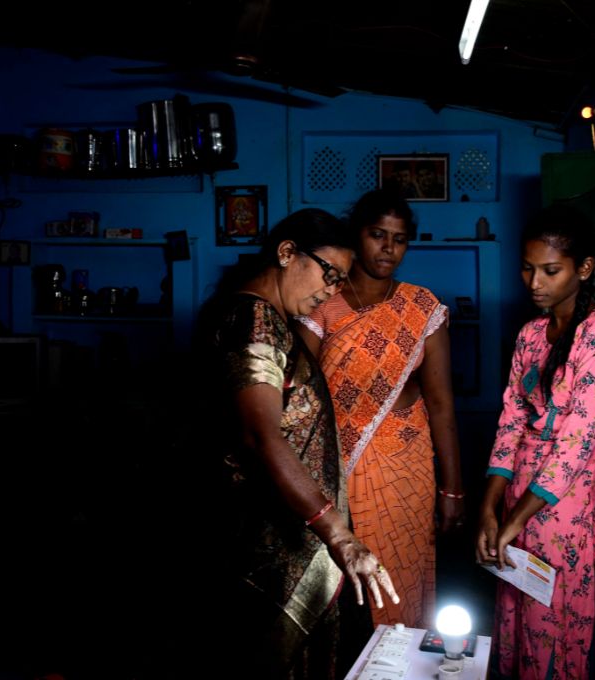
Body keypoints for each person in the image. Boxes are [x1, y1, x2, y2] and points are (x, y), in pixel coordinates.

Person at [193, 208, 398, 679]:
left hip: (279, 531)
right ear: (287, 253)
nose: (332, 289)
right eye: (329, 273)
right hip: (274, 543)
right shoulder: (256, 319)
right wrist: (339, 536)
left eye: (341, 281)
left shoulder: (255, 314)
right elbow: (261, 434)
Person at [475, 203, 595, 680]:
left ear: (583, 269)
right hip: (517, 504)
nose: (534, 282)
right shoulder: (530, 335)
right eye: (527, 268)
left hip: (564, 514)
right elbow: (510, 420)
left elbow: (574, 451)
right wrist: (490, 507)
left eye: (550, 270)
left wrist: (514, 519)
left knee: (558, 638)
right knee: (520, 623)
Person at [299, 188, 464, 630]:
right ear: (358, 235)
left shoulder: (422, 306)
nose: (389, 247)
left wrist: (452, 490)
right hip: (338, 468)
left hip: (405, 464)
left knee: (400, 580)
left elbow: (443, 404)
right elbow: (298, 397)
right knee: (343, 592)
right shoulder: (323, 303)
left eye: (400, 238)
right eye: (377, 234)